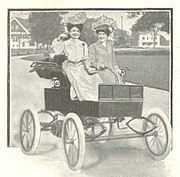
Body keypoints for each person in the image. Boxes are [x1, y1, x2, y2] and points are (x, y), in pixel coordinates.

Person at [52, 12, 102, 101]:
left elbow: (85, 58)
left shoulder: (83, 44)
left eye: (77, 31)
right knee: (77, 79)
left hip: (81, 66)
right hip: (70, 66)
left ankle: (95, 99)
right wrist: (59, 39)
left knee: (95, 77)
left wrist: (88, 67)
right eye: (73, 31)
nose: (75, 33)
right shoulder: (64, 43)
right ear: (69, 32)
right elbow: (57, 51)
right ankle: (83, 99)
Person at [87, 16, 122, 84]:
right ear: (97, 35)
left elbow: (114, 63)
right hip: (100, 72)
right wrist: (98, 65)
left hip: (112, 72)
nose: (101, 36)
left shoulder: (110, 47)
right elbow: (91, 61)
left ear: (107, 36)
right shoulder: (93, 47)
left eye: (103, 34)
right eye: (100, 34)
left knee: (120, 82)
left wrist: (118, 69)